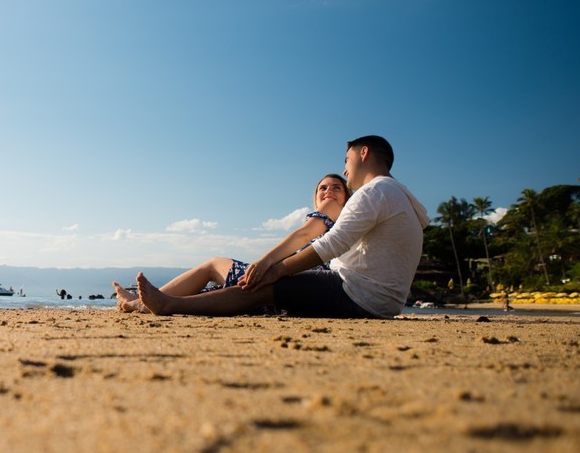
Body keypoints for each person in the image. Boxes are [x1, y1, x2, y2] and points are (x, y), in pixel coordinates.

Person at [135, 135, 428, 319]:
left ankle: (169, 305)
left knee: (265, 285)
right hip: (380, 300)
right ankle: (163, 301)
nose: (344, 169)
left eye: (347, 159)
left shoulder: (376, 191)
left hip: (360, 295)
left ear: (364, 153)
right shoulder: (397, 195)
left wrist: (276, 268)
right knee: (266, 282)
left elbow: (330, 244)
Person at [113, 174, 350, 313]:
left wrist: (263, 263)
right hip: (296, 284)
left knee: (213, 266)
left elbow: (301, 236)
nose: (329, 191)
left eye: (337, 187)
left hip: (300, 282)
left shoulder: (333, 211)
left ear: (346, 197)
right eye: (323, 188)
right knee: (211, 293)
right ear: (314, 197)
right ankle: (136, 304)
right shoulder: (340, 219)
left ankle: (140, 304)